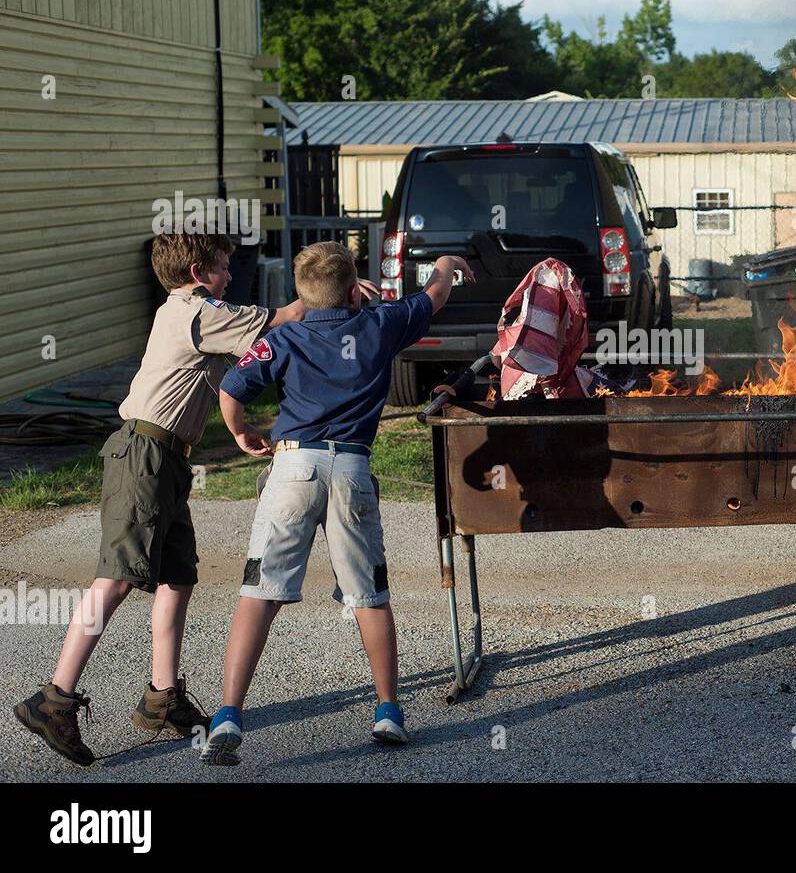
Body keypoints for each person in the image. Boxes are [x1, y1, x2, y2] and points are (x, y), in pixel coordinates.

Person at [13, 232, 308, 766]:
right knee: (118, 577)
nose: (230, 276)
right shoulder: (198, 309)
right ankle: (52, 699)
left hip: (167, 457)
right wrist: (331, 290)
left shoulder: (193, 313)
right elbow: (283, 316)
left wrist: (239, 432)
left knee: (178, 575)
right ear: (199, 272)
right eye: (222, 267)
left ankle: (162, 696)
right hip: (143, 455)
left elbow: (221, 377)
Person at [200, 241, 471, 765]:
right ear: (354, 290)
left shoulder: (284, 336)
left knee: (260, 591)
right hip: (350, 467)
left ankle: (229, 713)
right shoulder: (380, 323)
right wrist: (446, 267)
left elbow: (232, 389)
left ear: (301, 293)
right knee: (368, 592)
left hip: (293, 467)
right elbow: (433, 296)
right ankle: (388, 709)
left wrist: (240, 433)